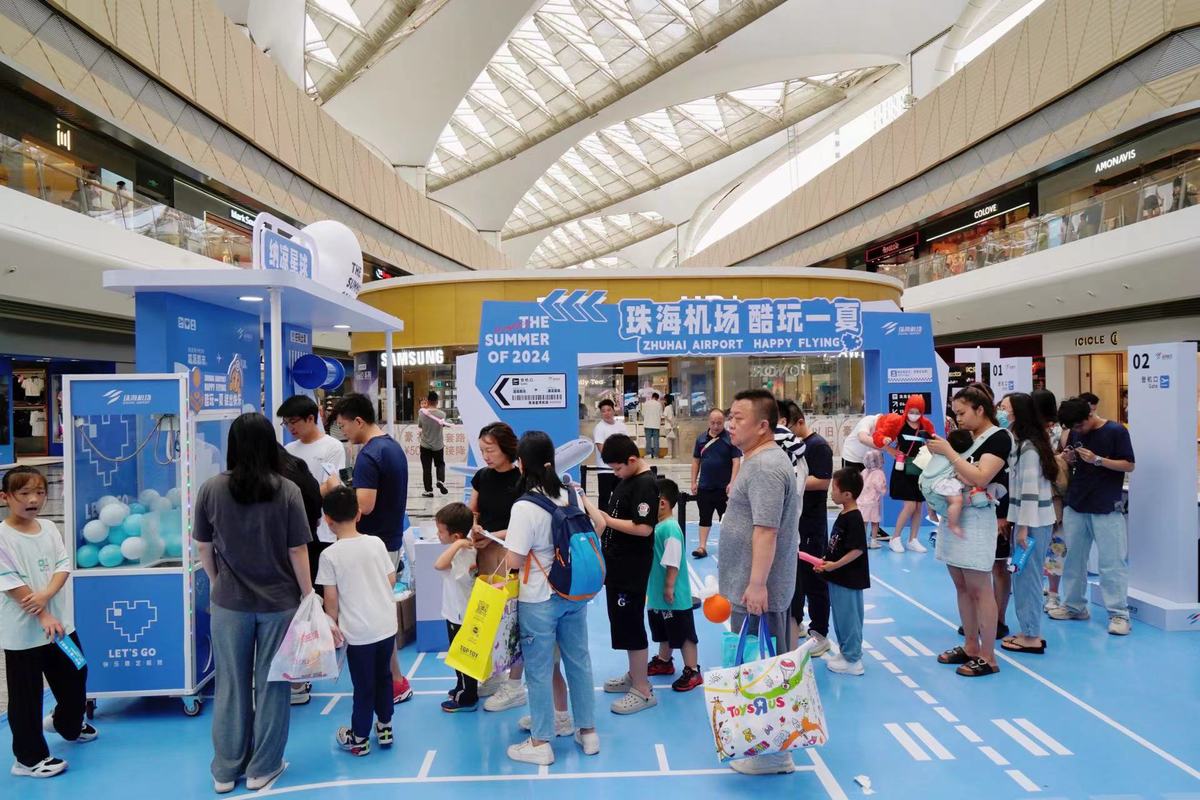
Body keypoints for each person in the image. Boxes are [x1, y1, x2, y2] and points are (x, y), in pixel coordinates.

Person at [193, 413, 314, 793]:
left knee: (230, 684)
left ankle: (226, 771)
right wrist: (309, 595)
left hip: (229, 603)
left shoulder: (212, 488)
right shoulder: (287, 490)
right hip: (280, 602)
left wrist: (217, 582)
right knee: (273, 684)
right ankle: (263, 767)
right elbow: (298, 549)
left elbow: (203, 546)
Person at [717, 389, 801, 775]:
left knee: (765, 668)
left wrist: (757, 585)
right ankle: (761, 742)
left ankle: (774, 753)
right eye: (730, 417)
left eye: (738, 418)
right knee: (756, 665)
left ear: (763, 426)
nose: (731, 424)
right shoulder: (754, 460)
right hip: (748, 586)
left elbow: (766, 531)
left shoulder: (767, 466)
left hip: (759, 591)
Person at [504, 431, 599, 765]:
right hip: (574, 592)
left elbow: (514, 561)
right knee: (579, 662)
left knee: (540, 670)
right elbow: (595, 528)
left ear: (521, 464)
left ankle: (541, 740)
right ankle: (588, 732)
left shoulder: (525, 505)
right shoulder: (571, 494)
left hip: (539, 598)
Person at [1, 466, 95, 779]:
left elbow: (62, 565)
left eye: (39, 492)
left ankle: (66, 723)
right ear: (5, 498)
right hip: (25, 634)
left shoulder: (49, 528)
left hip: (60, 627)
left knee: (77, 671)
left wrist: (46, 598)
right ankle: (28, 759)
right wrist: (41, 611)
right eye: (24, 493)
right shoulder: (2, 537)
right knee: (25, 696)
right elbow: (11, 583)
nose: (34, 499)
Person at [329, 393, 413, 703]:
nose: (344, 433)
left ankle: (393, 681)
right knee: (381, 611)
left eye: (344, 426)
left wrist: (336, 489)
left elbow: (364, 504)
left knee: (376, 617)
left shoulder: (369, 455)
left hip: (373, 544)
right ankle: (393, 679)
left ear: (359, 421)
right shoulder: (391, 447)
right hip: (388, 541)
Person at [925, 388, 1010, 678]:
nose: (957, 419)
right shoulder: (967, 440)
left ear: (980, 409)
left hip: (977, 520)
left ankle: (989, 656)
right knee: (961, 585)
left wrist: (948, 453)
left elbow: (980, 476)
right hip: (955, 517)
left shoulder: (999, 437)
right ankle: (971, 645)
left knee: (980, 588)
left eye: (962, 413)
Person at [315, 487, 397, 754]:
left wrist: (332, 626)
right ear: (359, 513)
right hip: (386, 626)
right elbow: (391, 579)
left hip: (359, 633)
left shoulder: (329, 555)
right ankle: (385, 727)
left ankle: (359, 738)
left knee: (363, 686)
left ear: (327, 519)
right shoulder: (376, 543)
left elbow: (331, 598)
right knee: (384, 677)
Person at [587, 433, 659, 714]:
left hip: (631, 567)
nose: (616, 473)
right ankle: (634, 673)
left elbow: (644, 528)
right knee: (622, 621)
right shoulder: (629, 480)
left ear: (632, 460)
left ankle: (642, 689)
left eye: (617, 468)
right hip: (617, 565)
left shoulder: (645, 485)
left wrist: (607, 520)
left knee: (631, 624)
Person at [1050, 397, 1135, 635]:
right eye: (1073, 429)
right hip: (1076, 503)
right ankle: (1074, 606)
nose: (1077, 431)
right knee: (1074, 560)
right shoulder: (1076, 433)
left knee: (1112, 562)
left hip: (1106, 505)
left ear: (1089, 416)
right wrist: (1069, 458)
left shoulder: (1115, 431)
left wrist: (1098, 460)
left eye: (1079, 426)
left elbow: (1129, 465)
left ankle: (1119, 614)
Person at [465, 422, 527, 708]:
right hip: (485, 556)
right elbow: (473, 511)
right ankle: (494, 674)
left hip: (511, 558)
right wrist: (475, 529)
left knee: (513, 622)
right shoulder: (482, 477)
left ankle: (515, 684)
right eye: (482, 451)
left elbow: (524, 522)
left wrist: (495, 537)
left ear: (506, 448)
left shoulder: (522, 480)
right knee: (487, 617)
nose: (486, 456)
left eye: (490, 450)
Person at [998, 393, 1058, 654]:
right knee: (1024, 576)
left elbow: (1030, 493)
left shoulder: (1029, 450)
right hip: (1030, 521)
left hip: (1032, 523)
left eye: (1006, 409)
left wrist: (1021, 527)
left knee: (1028, 578)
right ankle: (1028, 629)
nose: (1002, 412)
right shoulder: (1025, 445)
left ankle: (1032, 635)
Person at [645, 478, 702, 692]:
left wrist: (669, 586)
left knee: (684, 633)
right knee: (663, 630)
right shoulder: (658, 527)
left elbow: (673, 560)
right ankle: (664, 661)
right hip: (658, 595)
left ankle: (692, 670)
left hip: (674, 597)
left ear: (662, 503)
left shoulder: (670, 529)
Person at [787, 405, 833, 656]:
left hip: (812, 525)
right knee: (797, 579)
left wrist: (791, 482)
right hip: (796, 523)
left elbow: (823, 480)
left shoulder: (818, 446)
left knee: (815, 579)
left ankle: (820, 633)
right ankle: (800, 623)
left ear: (799, 422)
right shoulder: (792, 447)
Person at [814, 468, 870, 676]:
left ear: (847, 494)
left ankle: (854, 659)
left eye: (834, 489)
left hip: (849, 579)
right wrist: (825, 562)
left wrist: (834, 565)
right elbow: (836, 546)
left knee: (850, 619)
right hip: (837, 577)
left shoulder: (854, 518)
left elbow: (856, 549)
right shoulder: (843, 514)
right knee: (839, 618)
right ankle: (846, 652)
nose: (831, 493)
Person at [433, 503, 479, 711]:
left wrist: (458, 545)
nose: (437, 534)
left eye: (441, 531)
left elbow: (439, 565)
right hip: (457, 612)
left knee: (462, 657)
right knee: (460, 656)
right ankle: (462, 687)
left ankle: (467, 696)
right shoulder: (464, 550)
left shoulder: (462, 554)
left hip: (460, 615)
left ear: (455, 536)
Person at [874, 395, 935, 553]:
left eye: (918, 411)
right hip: (903, 467)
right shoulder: (897, 422)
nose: (914, 414)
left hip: (919, 466)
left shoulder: (925, 425)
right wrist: (888, 445)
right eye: (911, 410)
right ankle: (895, 537)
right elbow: (878, 437)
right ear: (907, 409)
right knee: (910, 505)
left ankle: (913, 539)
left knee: (918, 506)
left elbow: (933, 441)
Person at [1033, 389, 1068, 611]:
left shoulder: (1057, 433)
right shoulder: (1059, 431)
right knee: (1055, 546)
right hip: (1052, 498)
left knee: (1051, 546)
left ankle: (1050, 592)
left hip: (1048, 495)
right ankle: (1051, 593)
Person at [690, 408, 741, 559]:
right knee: (704, 517)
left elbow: (736, 461)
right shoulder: (700, 439)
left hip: (724, 489)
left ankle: (728, 547)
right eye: (713, 422)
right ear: (708, 422)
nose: (716, 426)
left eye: (719, 423)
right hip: (705, 486)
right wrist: (693, 482)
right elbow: (695, 461)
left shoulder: (730, 439)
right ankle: (702, 546)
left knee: (726, 519)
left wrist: (732, 482)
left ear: (723, 422)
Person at [927, 429, 978, 537]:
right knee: (957, 500)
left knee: (931, 495)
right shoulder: (956, 458)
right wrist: (973, 483)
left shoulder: (939, 452)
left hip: (927, 481)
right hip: (940, 481)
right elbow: (959, 475)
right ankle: (953, 524)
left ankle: (931, 512)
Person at [592, 399, 629, 510]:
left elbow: (627, 445)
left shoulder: (621, 426)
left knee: (622, 497)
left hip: (621, 469)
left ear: (613, 411)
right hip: (605, 470)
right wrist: (615, 461)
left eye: (609, 410)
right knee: (604, 498)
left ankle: (620, 522)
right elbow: (601, 449)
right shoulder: (599, 428)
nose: (606, 413)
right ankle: (604, 524)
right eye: (603, 411)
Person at [418, 391, 448, 498]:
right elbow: (443, 425)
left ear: (428, 401)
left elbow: (420, 426)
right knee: (440, 464)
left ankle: (428, 491)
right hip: (438, 445)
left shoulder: (422, 414)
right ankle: (440, 480)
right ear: (437, 401)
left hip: (425, 445)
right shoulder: (442, 414)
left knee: (426, 468)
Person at [858, 450, 888, 549]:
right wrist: (884, 490)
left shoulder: (864, 471)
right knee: (875, 522)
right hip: (873, 502)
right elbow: (880, 487)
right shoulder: (879, 473)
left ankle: (863, 541)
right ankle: (874, 541)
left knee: (864, 522)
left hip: (862, 502)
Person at [641, 391, 663, 459]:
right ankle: (656, 454)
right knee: (656, 439)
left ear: (652, 397)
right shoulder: (659, 404)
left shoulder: (646, 403)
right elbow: (661, 414)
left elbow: (643, 414)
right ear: (657, 398)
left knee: (648, 440)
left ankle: (649, 454)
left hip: (647, 424)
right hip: (656, 424)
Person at [662, 393, 677, 459]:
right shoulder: (672, 407)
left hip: (668, 426)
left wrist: (670, 422)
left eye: (664, 399)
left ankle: (669, 454)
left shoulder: (667, 407)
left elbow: (665, 416)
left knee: (669, 441)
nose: (664, 401)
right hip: (673, 426)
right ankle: (673, 454)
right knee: (673, 442)